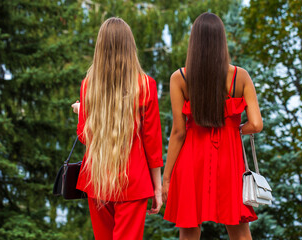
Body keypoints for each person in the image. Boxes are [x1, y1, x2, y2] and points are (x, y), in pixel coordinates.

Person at [162, 13, 262, 240]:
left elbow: (178, 132)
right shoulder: (240, 76)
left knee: (189, 229)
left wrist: (166, 178)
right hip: (229, 160)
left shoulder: (180, 78)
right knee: (238, 228)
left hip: (190, 161)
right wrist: (234, 129)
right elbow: (256, 124)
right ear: (221, 40)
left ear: (194, 42)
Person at [71, 17, 163, 240]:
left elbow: (85, 136)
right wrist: (157, 189)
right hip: (133, 181)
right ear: (130, 46)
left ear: (100, 47)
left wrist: (80, 111)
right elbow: (152, 142)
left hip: (98, 179)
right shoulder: (146, 85)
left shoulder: (88, 84)